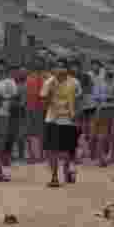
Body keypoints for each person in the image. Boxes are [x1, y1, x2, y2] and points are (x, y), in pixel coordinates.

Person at [41, 58, 81, 188]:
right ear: (54, 69)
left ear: (67, 69)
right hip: (52, 118)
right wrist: (49, 95)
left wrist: (78, 116)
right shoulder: (49, 82)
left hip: (69, 120)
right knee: (52, 150)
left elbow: (80, 100)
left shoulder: (74, 82)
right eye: (57, 67)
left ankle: (67, 169)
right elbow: (44, 104)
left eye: (63, 67)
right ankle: (54, 177)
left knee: (67, 151)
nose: (60, 70)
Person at [23, 56, 48, 164]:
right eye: (36, 62)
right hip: (29, 107)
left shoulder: (47, 77)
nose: (38, 64)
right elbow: (26, 92)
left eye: (40, 62)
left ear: (43, 64)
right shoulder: (29, 77)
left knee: (41, 133)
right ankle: (31, 155)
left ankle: (41, 155)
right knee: (29, 133)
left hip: (42, 108)